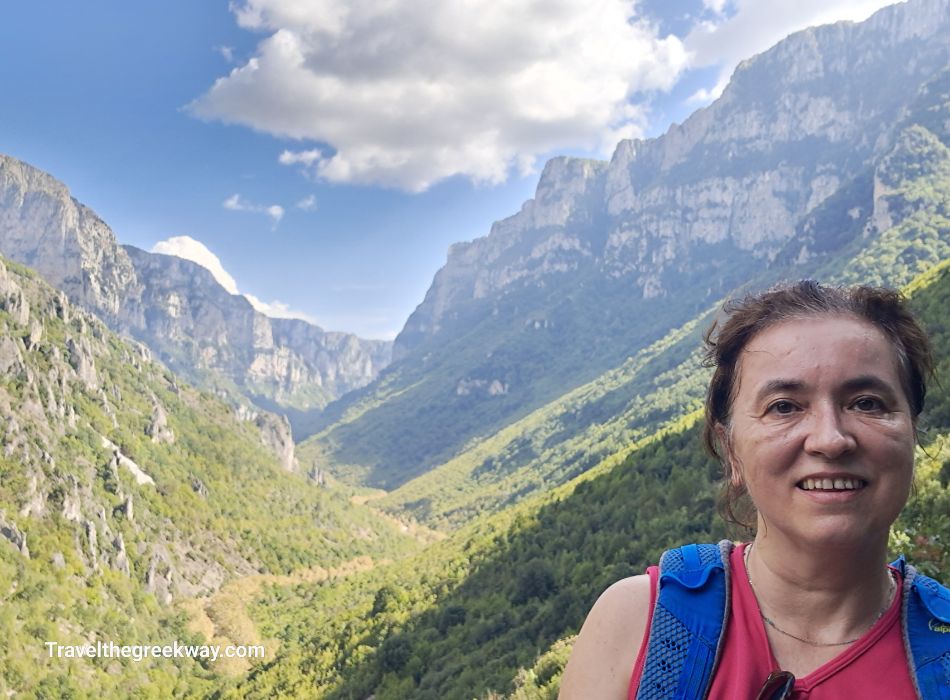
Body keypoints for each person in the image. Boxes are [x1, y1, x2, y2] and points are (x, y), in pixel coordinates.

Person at [559, 280, 950, 699]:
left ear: (913, 432)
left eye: (867, 403)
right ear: (731, 451)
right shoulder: (637, 625)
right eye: (784, 406)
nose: (830, 439)